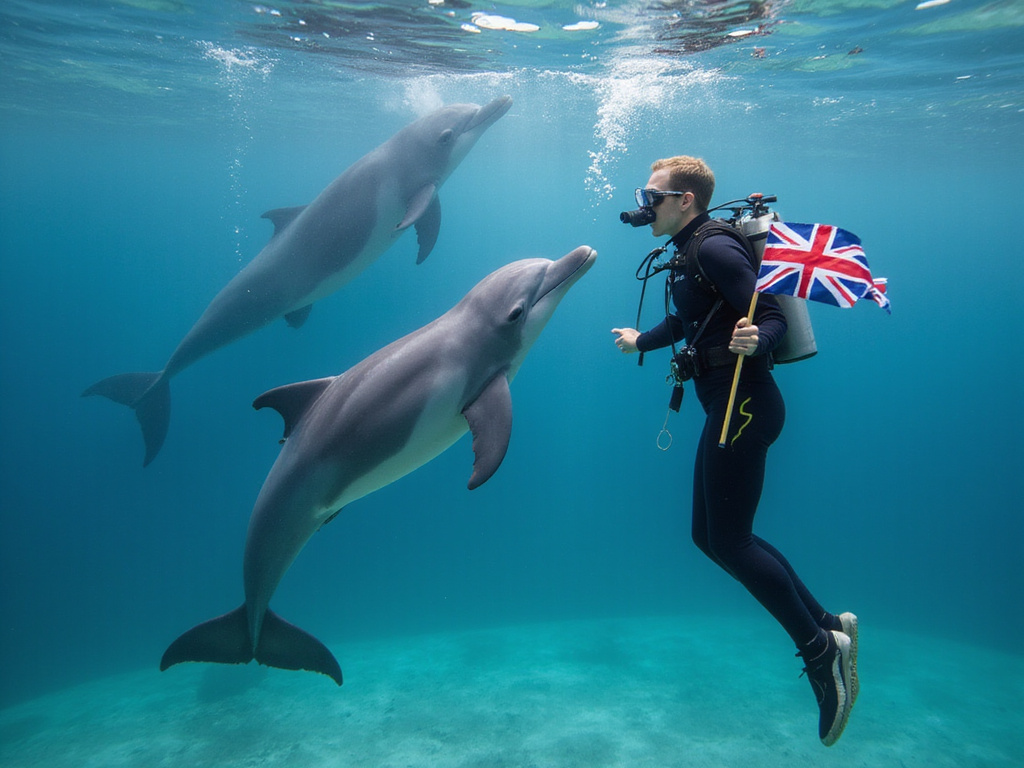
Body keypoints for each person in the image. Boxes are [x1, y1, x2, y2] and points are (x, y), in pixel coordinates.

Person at [611, 156, 858, 746]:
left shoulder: (716, 248)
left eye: (652, 196)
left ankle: (821, 651)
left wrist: (758, 338)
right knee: (711, 536)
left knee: (729, 539)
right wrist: (643, 341)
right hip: (730, 406)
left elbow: (769, 315)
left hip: (743, 405)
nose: (644, 206)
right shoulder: (690, 251)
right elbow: (691, 317)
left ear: (685, 200)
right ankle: (829, 625)